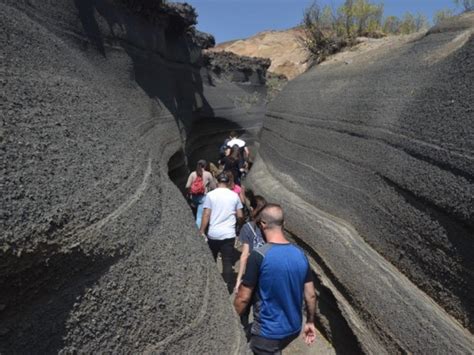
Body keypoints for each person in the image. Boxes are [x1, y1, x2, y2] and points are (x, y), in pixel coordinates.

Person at [234, 204, 317, 354]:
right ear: (283, 224)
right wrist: (310, 321)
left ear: (262, 224)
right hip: (293, 329)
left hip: (267, 333)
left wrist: (231, 318)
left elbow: (243, 298)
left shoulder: (259, 255)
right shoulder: (301, 254)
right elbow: (310, 295)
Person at [199, 172, 244, 293]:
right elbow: (240, 215)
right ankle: (226, 285)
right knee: (227, 260)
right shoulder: (234, 196)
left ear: (217, 181)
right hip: (229, 234)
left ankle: (212, 283)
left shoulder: (210, 195)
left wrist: (202, 230)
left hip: (213, 233)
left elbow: (206, 214)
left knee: (211, 258)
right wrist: (239, 226)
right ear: (228, 182)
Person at [235, 196, 267, 329]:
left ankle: (244, 332)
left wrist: (238, 281)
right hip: (267, 272)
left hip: (252, 272)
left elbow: (244, 256)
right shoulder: (269, 226)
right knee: (261, 308)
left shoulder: (248, 227)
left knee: (245, 305)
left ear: (252, 209)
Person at [185, 160, 216, 229]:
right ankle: (198, 233)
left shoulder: (192, 174)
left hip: (193, 197)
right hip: (203, 198)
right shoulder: (208, 174)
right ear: (205, 166)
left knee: (193, 214)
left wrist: (189, 193)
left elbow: (187, 186)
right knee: (199, 216)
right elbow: (213, 187)